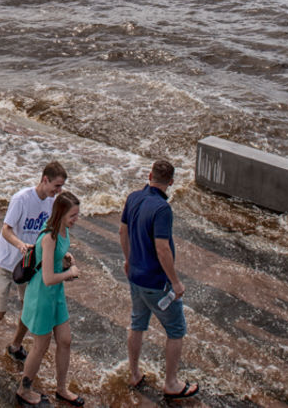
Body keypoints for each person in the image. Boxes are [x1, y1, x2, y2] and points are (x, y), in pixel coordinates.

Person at [0, 161, 68, 371]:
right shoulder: (21, 199)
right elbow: (6, 230)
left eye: (61, 187)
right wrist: (20, 244)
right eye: (57, 186)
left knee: (28, 311)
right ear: (45, 180)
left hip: (29, 265)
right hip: (6, 262)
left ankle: (15, 346)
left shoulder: (52, 203)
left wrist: (62, 251)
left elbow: (50, 231)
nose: (59, 191)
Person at [121, 160, 198, 400]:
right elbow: (162, 248)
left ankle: (134, 373)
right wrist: (175, 282)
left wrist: (128, 259)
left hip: (135, 276)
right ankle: (172, 383)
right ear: (171, 182)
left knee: (137, 324)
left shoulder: (133, 197)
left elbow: (123, 231)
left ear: (149, 175)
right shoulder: (162, 209)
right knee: (176, 330)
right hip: (156, 282)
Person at [15, 191, 83, 407]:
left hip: (57, 296)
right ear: (61, 214)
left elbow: (53, 262)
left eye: (77, 215)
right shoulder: (50, 237)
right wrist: (70, 273)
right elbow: (47, 278)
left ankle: (61, 388)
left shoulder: (63, 232)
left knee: (65, 340)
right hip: (43, 296)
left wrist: (65, 259)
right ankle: (24, 389)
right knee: (40, 346)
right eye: (73, 216)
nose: (76, 219)